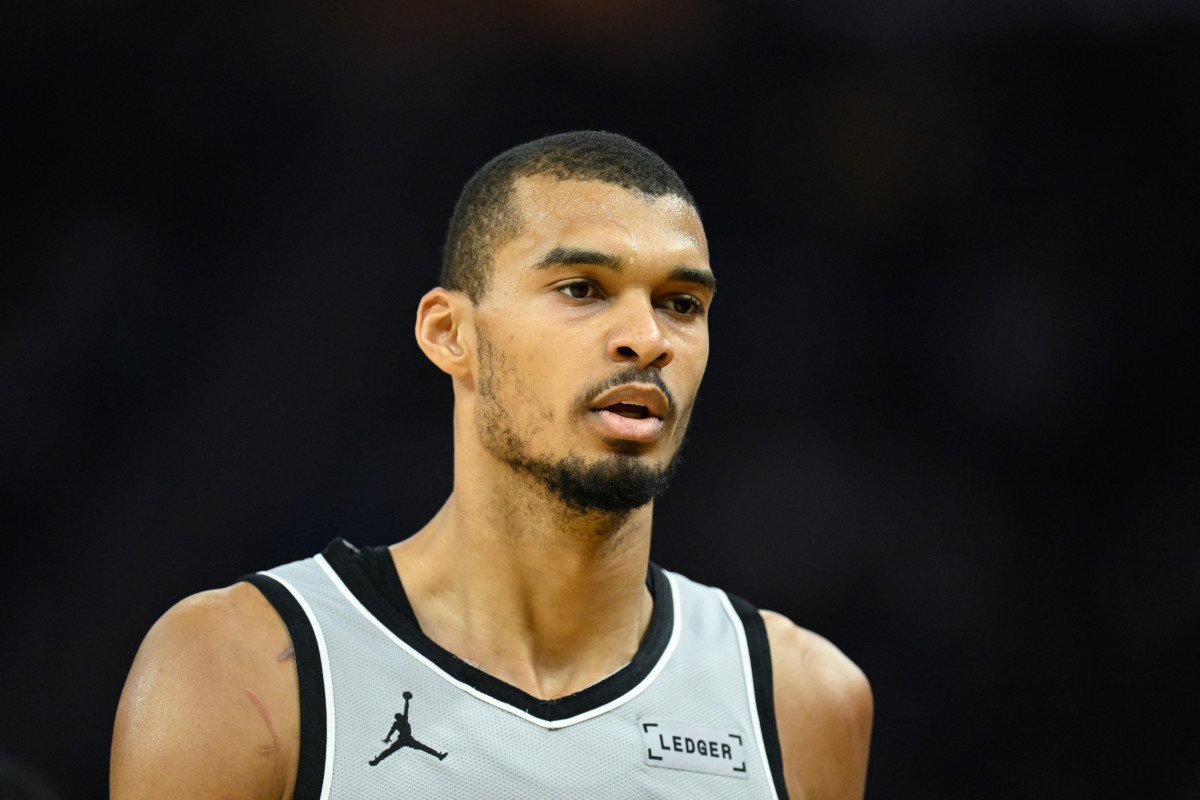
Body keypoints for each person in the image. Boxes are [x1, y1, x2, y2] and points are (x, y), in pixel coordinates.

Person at [111, 131, 873, 799]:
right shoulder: (238, 672)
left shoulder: (803, 702)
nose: (647, 339)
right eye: (583, 289)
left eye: (681, 304)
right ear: (450, 333)